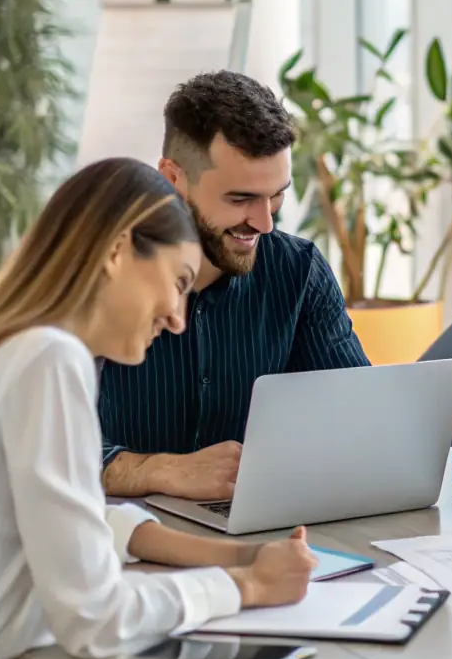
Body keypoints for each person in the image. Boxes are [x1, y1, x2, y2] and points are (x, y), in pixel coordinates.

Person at [0, 157, 317, 659]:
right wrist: (242, 590)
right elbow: (92, 616)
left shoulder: (4, 348)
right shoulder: (50, 362)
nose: (180, 317)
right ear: (119, 248)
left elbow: (76, 522)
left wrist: (234, 558)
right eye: (179, 283)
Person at [101, 71, 369, 500]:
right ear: (172, 178)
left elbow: (357, 419)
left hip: (258, 527)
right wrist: (159, 470)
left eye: (276, 195)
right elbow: (42, 450)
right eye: (240, 199)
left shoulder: (298, 271)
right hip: (115, 534)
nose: (265, 223)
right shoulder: (97, 273)